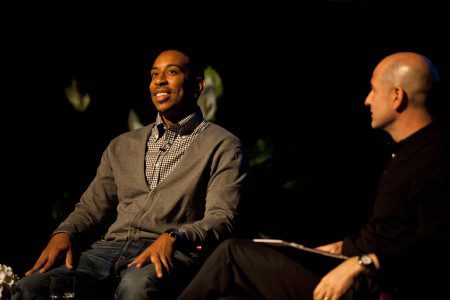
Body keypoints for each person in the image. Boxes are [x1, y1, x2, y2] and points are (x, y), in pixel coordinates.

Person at [177, 52, 450, 299]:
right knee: (232, 291)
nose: (367, 99)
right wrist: (341, 248)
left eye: (374, 90)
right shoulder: (403, 154)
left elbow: (432, 251)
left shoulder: (437, 158)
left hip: (377, 283)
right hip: (363, 267)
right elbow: (390, 233)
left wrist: (364, 262)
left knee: (231, 256)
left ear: (396, 96)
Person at [12, 49, 247, 299]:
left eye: (172, 72)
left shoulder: (223, 145)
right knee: (28, 288)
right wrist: (64, 232)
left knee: (136, 288)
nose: (159, 81)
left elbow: (222, 217)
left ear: (198, 85)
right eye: (154, 74)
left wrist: (175, 236)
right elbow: (91, 208)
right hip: (106, 251)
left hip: (166, 251)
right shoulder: (122, 145)